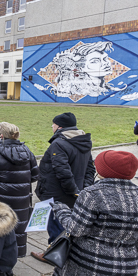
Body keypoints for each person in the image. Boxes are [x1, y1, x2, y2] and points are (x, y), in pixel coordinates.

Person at [32, 112, 95, 262]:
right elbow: (90, 169)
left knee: (55, 223)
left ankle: (53, 254)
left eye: (53, 124)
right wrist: (81, 190)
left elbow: (62, 171)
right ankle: (66, 252)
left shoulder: (59, 143)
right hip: (74, 191)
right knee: (65, 222)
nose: (52, 127)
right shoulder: (83, 140)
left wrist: (73, 191)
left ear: (60, 126)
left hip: (57, 192)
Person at [0, 122, 39, 267]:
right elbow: (34, 175)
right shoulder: (27, 151)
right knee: (16, 230)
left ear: (0, 135)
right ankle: (9, 264)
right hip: (21, 201)